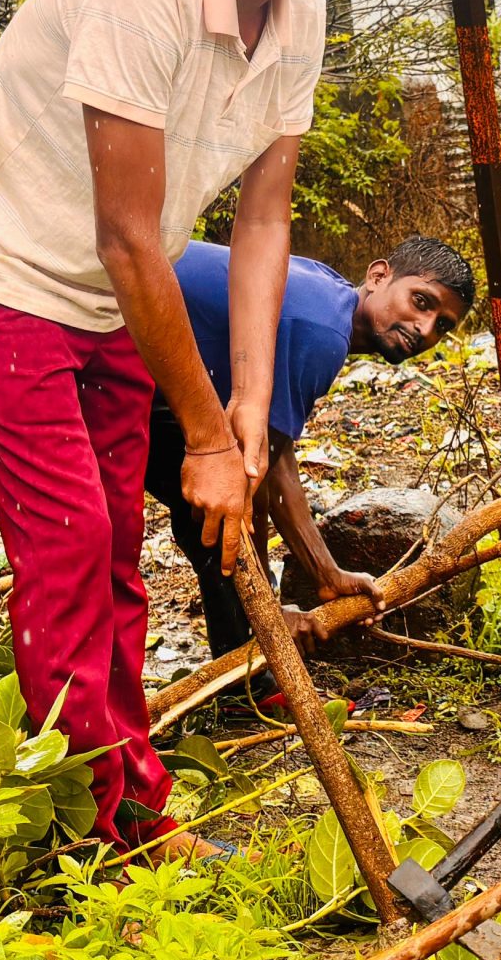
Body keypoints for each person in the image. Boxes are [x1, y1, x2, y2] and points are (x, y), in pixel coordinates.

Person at [0, 0, 406, 853]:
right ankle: (106, 829)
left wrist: (252, 412)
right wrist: (206, 433)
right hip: (1, 264)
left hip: (112, 294)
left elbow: (266, 222)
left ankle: (115, 783)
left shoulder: (301, 21)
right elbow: (128, 236)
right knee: (71, 539)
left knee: (117, 546)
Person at [146, 236, 473, 657]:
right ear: (378, 276)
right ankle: (247, 664)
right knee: (221, 507)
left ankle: (242, 664)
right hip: (106, 338)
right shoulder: (321, 332)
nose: (425, 330)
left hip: (138, 357)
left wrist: (326, 571)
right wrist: (267, 607)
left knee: (218, 500)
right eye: (422, 302)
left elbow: (274, 454)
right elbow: (253, 474)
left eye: (442, 325)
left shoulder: (328, 296)